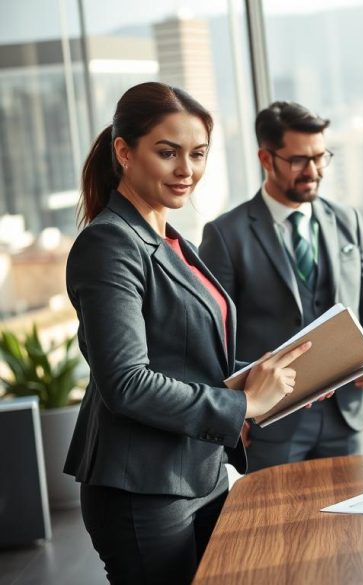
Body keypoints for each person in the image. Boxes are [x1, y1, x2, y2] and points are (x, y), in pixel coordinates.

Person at [65, 82, 308, 584]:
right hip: (143, 489)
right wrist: (242, 406)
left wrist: (269, 383)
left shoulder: (173, 240)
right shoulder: (109, 244)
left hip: (199, 472)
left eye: (197, 154)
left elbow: (186, 360)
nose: (186, 170)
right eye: (167, 153)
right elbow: (127, 382)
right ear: (124, 152)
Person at [199, 101, 363, 470]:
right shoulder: (225, 235)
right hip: (273, 422)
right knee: (282, 526)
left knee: (353, 524)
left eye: (321, 157)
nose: (314, 170)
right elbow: (213, 337)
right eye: (299, 160)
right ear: (266, 158)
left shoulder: (347, 219)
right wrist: (234, 409)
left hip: (347, 415)